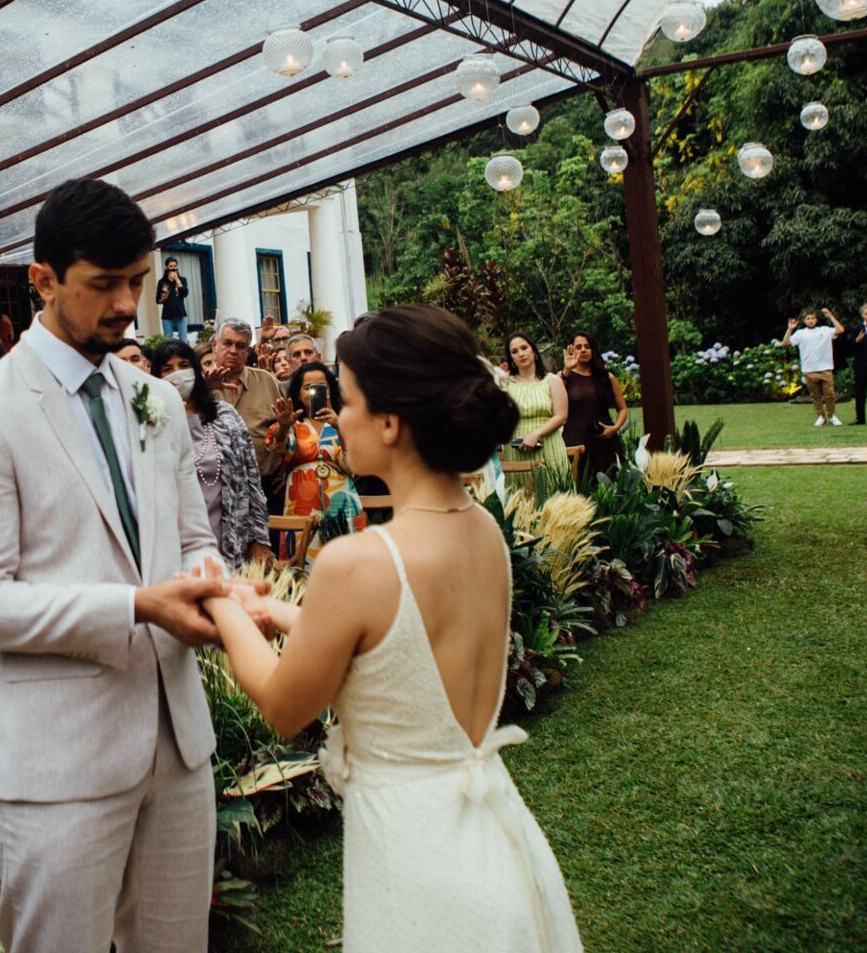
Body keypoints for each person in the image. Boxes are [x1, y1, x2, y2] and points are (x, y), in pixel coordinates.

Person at [0, 177, 261, 953]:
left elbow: (193, 541)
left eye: (138, 283)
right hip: (57, 762)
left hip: (177, 743)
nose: (126, 305)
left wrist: (214, 587)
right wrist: (138, 607)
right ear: (41, 280)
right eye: (103, 284)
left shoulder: (155, 399)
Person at [197, 304, 581, 952]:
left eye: (345, 400)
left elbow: (286, 704)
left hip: (415, 851)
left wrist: (224, 605)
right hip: (491, 827)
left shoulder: (361, 560)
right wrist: (282, 613)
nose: (336, 416)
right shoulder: (482, 527)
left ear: (392, 423)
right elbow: (401, 650)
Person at [151, 338, 270, 570]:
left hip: (230, 535)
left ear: (196, 369)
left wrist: (259, 539)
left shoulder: (225, 416)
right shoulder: (154, 422)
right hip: (177, 541)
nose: (177, 373)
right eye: (168, 369)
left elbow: (252, 481)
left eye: (184, 365)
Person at [268, 361, 366, 558]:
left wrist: (340, 426)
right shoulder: (293, 426)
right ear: (297, 393)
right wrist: (285, 426)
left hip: (342, 504)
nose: (314, 391)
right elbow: (278, 448)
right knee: (303, 567)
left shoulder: (347, 422)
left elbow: (357, 464)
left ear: (331, 390)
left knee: (348, 564)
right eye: (307, 387)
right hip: (301, 507)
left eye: (322, 387)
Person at [203, 316, 286, 480]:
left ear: (248, 352)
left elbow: (289, 428)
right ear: (214, 346)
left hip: (266, 484)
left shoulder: (268, 382)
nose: (233, 351)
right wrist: (205, 390)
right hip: (217, 487)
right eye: (227, 343)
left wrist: (288, 472)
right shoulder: (200, 385)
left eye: (240, 346)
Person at [502, 332, 570, 483]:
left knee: (553, 496)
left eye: (524, 348)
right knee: (520, 499)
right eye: (514, 351)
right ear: (511, 359)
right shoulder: (505, 384)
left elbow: (561, 416)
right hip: (516, 450)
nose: (521, 354)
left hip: (548, 446)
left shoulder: (552, 380)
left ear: (533, 351)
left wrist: (536, 434)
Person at [560, 332, 627, 483]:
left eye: (587, 346)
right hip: (575, 442)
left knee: (611, 489)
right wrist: (566, 370)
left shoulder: (607, 378)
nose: (583, 350)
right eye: (578, 347)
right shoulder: (563, 377)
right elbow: (554, 403)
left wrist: (615, 427)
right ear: (571, 350)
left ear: (593, 350)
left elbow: (622, 409)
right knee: (579, 488)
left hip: (605, 441)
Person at [782, 308, 844, 427]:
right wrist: (790, 329)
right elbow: (785, 343)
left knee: (830, 394)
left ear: (816, 319)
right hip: (809, 370)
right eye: (808, 319)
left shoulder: (825, 330)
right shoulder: (800, 334)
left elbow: (840, 330)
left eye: (813, 318)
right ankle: (821, 416)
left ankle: (831, 416)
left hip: (825, 368)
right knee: (815, 396)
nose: (811, 321)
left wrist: (830, 316)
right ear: (804, 321)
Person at [156, 257, 190, 339]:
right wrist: (164, 299)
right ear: (166, 267)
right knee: (168, 342)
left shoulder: (182, 279)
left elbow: (185, 294)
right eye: (171, 266)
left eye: (175, 266)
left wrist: (177, 279)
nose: (173, 268)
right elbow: (157, 300)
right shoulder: (162, 282)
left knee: (183, 341)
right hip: (167, 316)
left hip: (181, 314)